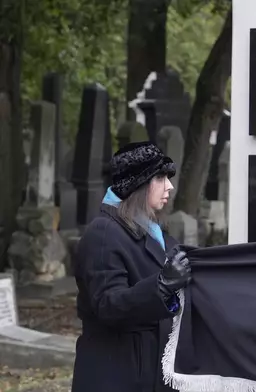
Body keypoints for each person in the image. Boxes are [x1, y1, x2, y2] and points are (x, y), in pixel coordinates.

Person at [71, 141, 192, 392]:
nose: (169, 185)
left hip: (148, 371)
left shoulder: (154, 231)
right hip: (117, 375)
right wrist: (161, 285)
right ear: (138, 183)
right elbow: (108, 305)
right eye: (160, 177)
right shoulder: (103, 233)